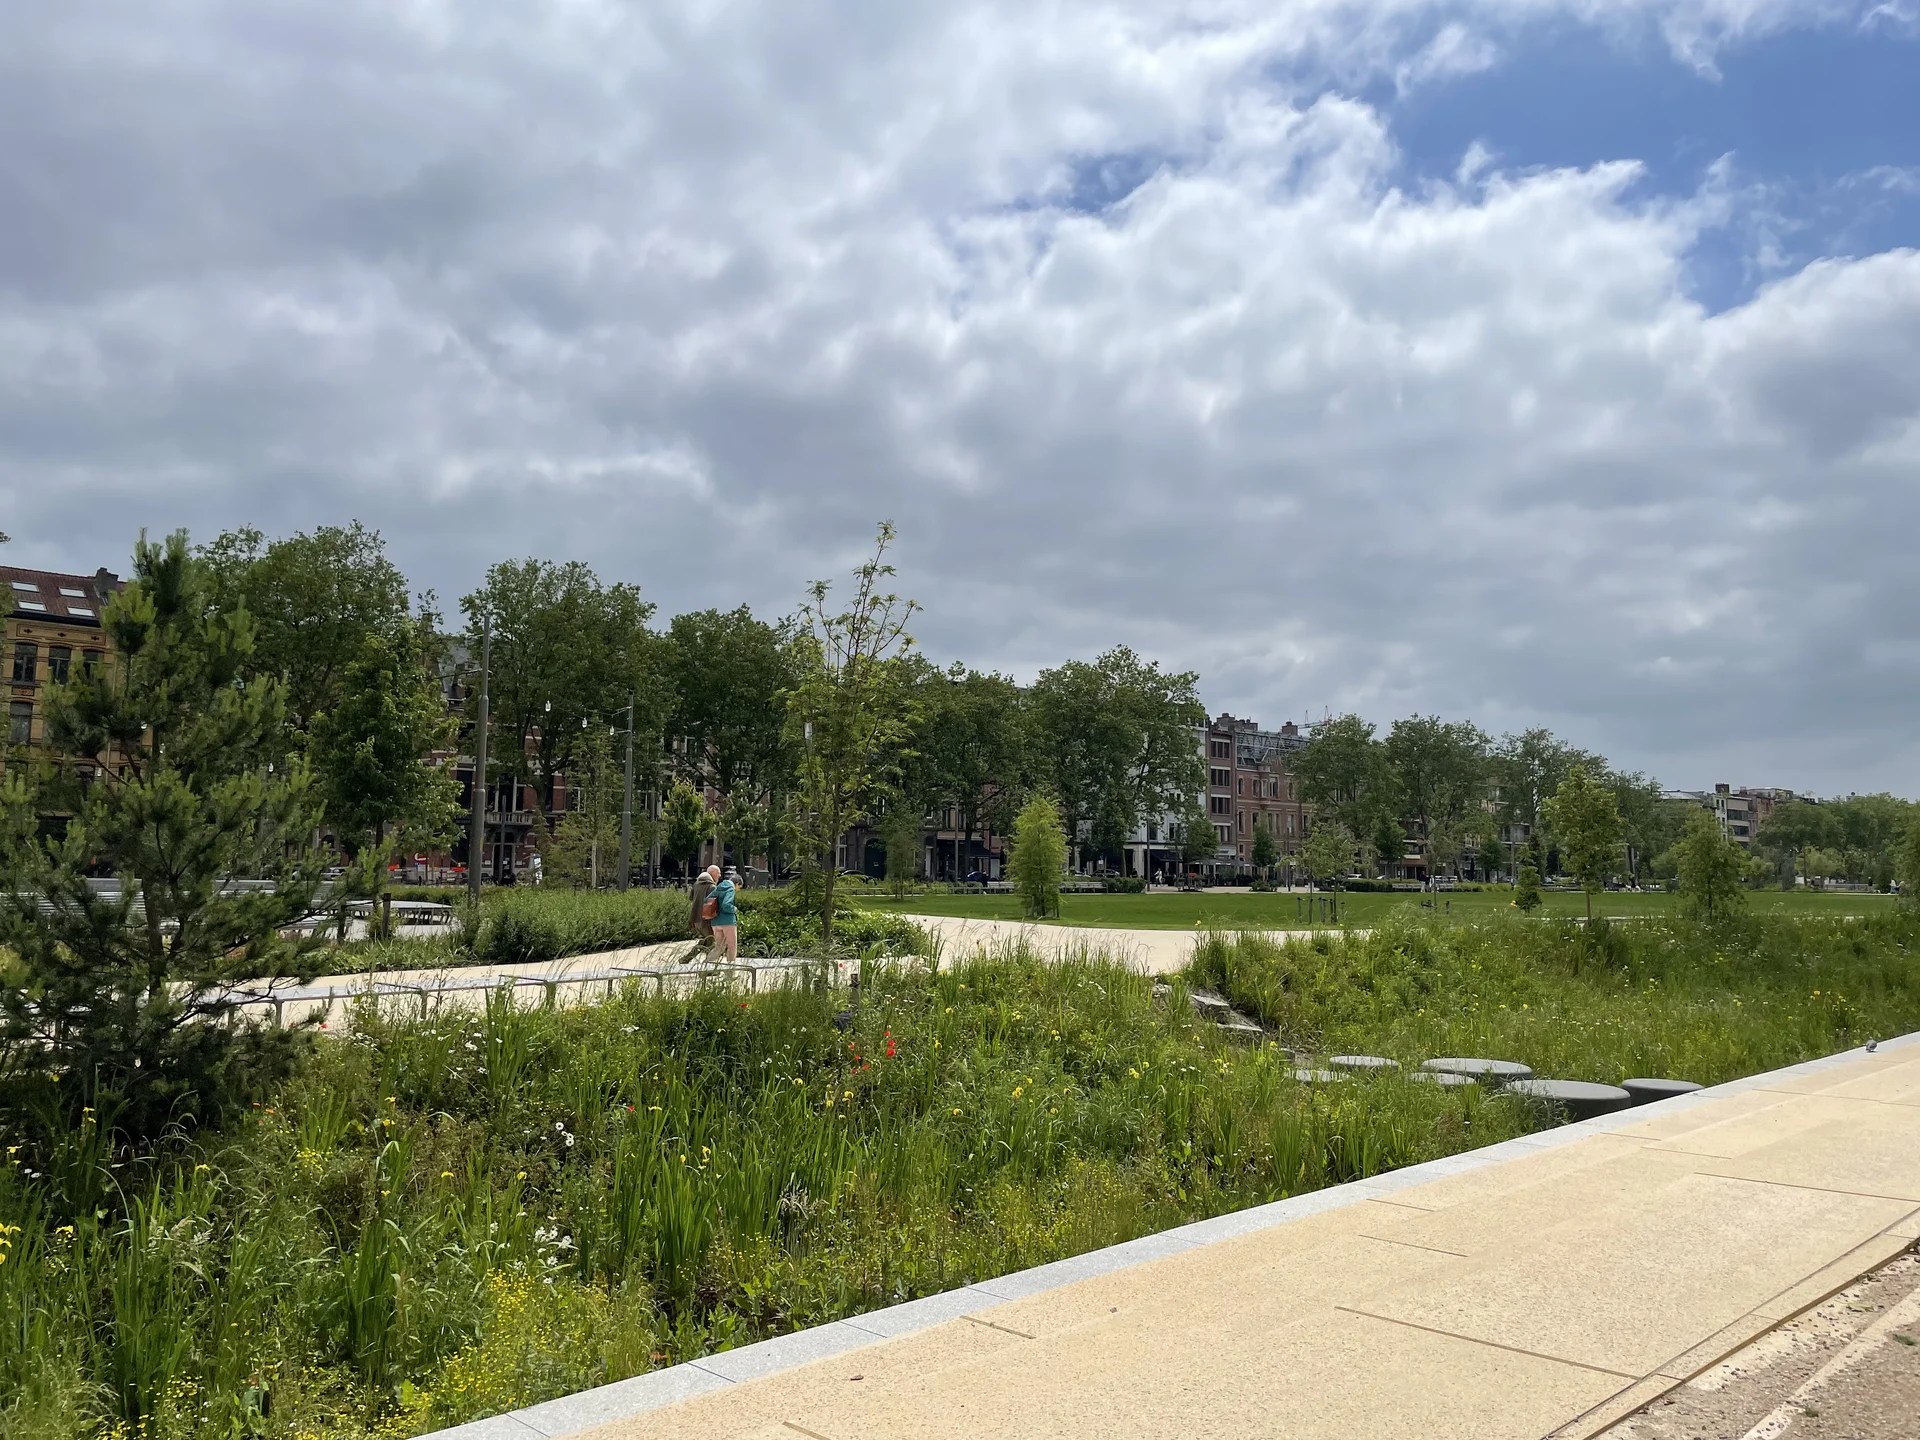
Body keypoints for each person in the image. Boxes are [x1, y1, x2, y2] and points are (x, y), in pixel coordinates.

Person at [707, 864, 739, 962]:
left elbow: (707, 900)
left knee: (719, 946)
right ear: (737, 884)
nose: (738, 890)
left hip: (715, 921)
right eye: (739, 887)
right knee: (732, 946)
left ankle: (707, 965)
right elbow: (726, 904)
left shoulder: (719, 887)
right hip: (728, 921)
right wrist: (734, 909)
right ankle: (731, 968)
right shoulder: (730, 888)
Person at [688, 865, 715, 953]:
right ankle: (709, 960)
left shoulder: (695, 885)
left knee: (704, 942)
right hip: (706, 920)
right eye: (718, 874)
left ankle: (687, 958)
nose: (719, 876)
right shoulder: (712, 887)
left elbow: (691, 898)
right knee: (711, 942)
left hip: (695, 919)